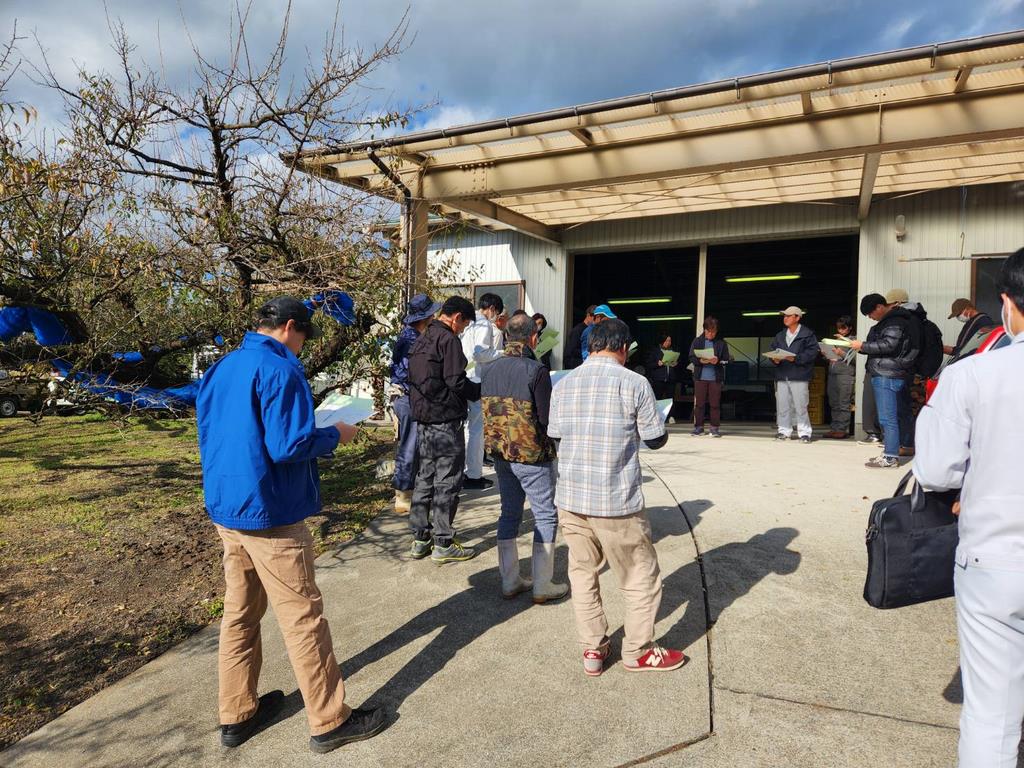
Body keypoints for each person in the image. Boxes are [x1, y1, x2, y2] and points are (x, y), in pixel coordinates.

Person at [196, 296, 386, 754]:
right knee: (303, 617)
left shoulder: (223, 367)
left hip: (228, 505)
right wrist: (333, 435)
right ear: (288, 327)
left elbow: (211, 429)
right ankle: (329, 719)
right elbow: (288, 445)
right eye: (303, 336)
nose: (303, 346)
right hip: (272, 511)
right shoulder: (281, 370)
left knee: (240, 613)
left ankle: (236, 712)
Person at [912, 247, 1024, 767]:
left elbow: (935, 471)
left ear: (1008, 304)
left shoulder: (973, 376)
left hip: (996, 559)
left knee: (992, 716)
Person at [548, 318, 688, 676]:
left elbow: (556, 437)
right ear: (624, 348)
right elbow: (655, 438)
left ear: (590, 346)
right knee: (639, 574)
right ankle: (638, 651)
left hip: (571, 498)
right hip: (616, 502)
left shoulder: (564, 384)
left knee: (582, 573)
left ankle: (593, 650)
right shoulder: (635, 383)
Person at [480, 313, 569, 604]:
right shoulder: (537, 370)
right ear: (533, 338)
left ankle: (510, 580)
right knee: (544, 514)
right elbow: (546, 418)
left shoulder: (489, 369)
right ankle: (543, 584)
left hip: (501, 456)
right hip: (533, 457)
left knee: (509, 514)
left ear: (507, 337)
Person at [407, 295, 482, 564]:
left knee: (424, 477)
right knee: (447, 480)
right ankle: (443, 543)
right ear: (457, 318)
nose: (462, 330)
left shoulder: (421, 339)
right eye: (464, 325)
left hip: (425, 421)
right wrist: (480, 390)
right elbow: (456, 381)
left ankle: (420, 538)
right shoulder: (448, 340)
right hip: (445, 420)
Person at [850, 294, 919, 468]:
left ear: (880, 307)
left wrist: (863, 346)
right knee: (901, 414)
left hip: (886, 373)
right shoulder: (900, 319)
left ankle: (889, 456)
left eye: (870, 314)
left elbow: (889, 345)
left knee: (887, 418)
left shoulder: (894, 322)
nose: (870, 318)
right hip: (895, 371)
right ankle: (905, 446)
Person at [389, 294, 440, 514]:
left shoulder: (412, 335)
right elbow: (413, 372)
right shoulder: (412, 340)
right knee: (409, 445)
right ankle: (402, 494)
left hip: (411, 396)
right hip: (407, 397)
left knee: (415, 445)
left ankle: (410, 489)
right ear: (425, 317)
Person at [460, 293, 504, 491]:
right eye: (497, 312)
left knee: (468, 427)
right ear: (492, 308)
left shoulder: (468, 322)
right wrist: (502, 354)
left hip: (464, 378)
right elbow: (480, 354)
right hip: (477, 379)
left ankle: (467, 470)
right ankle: (474, 475)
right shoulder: (484, 324)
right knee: (477, 430)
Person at [770, 306, 819, 443]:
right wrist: (774, 359)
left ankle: (804, 433)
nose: (785, 318)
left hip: (799, 374)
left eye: (788, 316)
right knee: (783, 405)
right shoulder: (780, 335)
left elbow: (812, 353)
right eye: (784, 316)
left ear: (797, 317)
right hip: (782, 374)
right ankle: (783, 431)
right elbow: (773, 350)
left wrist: (796, 358)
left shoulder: (807, 334)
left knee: (801, 405)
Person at [688, 316, 730, 437]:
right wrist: (701, 360)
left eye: (714, 332)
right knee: (699, 404)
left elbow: (727, 360)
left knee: (715, 404)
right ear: (705, 330)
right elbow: (691, 357)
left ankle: (714, 428)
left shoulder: (721, 343)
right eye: (709, 331)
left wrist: (718, 360)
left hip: (715, 378)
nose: (711, 334)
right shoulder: (697, 341)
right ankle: (699, 427)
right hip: (700, 378)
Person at [822, 316, 857, 439]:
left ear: (850, 328)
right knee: (833, 402)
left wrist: (841, 353)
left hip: (845, 375)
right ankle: (834, 428)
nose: (841, 330)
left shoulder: (854, 340)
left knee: (843, 402)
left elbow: (857, 360)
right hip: (833, 373)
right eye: (839, 328)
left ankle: (842, 428)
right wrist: (826, 354)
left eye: (844, 327)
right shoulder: (835, 341)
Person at [644, 333, 679, 422]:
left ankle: (671, 416)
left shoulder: (672, 350)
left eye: (670, 341)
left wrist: (675, 364)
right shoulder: (655, 351)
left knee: (670, 398)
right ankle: (657, 417)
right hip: (658, 378)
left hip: (670, 378)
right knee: (657, 398)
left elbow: (678, 364)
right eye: (667, 340)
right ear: (662, 341)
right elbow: (648, 364)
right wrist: (657, 364)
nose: (668, 342)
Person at [563, 305, 596, 369]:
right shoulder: (577, 330)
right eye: (594, 317)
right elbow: (571, 350)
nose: (596, 320)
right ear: (588, 315)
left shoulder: (594, 330)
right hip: (576, 365)